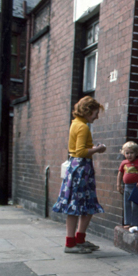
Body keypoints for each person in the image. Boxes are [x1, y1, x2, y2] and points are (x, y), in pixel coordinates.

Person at [52, 96, 107, 254]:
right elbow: (81, 152)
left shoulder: (76, 124)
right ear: (88, 111)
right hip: (81, 168)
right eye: (95, 113)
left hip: (80, 168)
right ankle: (70, 244)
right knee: (76, 205)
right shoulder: (82, 127)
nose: (97, 116)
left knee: (86, 204)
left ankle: (79, 240)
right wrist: (98, 149)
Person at [117, 141, 138, 229]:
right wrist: (118, 185)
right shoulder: (124, 163)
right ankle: (127, 222)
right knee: (126, 204)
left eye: (132, 153)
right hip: (126, 186)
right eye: (127, 153)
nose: (129, 155)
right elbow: (120, 173)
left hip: (136, 186)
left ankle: (135, 223)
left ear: (136, 153)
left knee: (135, 205)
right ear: (124, 153)